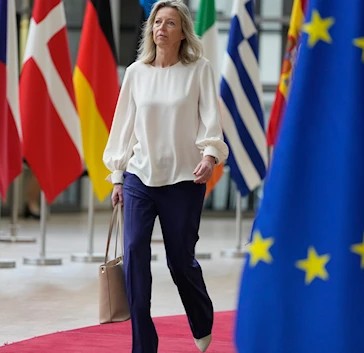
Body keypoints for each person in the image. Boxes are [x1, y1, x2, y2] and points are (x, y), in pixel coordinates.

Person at [102, 1, 229, 352]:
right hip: (140, 179)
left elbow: (210, 122)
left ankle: (201, 319)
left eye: (170, 22)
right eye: (157, 21)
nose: (161, 27)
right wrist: (117, 176)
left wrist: (209, 156)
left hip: (184, 182)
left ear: (182, 31)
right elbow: (122, 129)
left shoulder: (198, 69)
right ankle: (143, 346)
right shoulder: (136, 73)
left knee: (180, 262)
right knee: (134, 257)